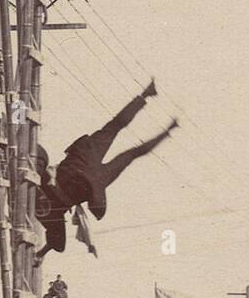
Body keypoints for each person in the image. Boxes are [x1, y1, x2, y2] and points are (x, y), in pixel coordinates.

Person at [34, 84, 177, 257]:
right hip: (84, 164)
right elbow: (57, 243)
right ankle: (146, 96)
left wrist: (41, 253)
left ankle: (152, 107)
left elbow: (57, 243)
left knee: (128, 149)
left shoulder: (52, 213)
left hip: (92, 178)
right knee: (116, 130)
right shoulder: (45, 199)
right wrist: (41, 252)